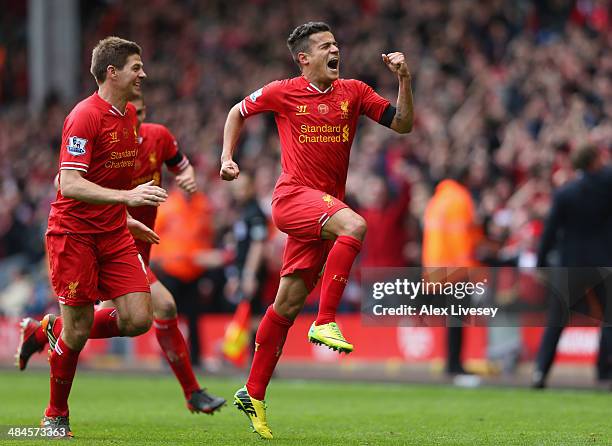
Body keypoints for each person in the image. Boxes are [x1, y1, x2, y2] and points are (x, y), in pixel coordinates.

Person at [220, 21, 413, 439]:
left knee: (286, 304)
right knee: (356, 223)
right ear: (305, 59)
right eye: (325, 46)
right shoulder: (283, 91)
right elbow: (237, 111)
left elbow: (402, 124)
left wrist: (403, 80)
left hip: (320, 213)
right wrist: (226, 157)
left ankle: (252, 394)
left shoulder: (355, 92)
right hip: (293, 199)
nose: (335, 50)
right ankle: (325, 320)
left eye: (336, 44)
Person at [17, 95, 225, 414]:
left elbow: (180, 163)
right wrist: (126, 216)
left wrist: (187, 177)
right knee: (164, 305)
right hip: (111, 240)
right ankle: (193, 392)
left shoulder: (158, 137)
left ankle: (50, 329)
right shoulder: (108, 144)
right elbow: (66, 181)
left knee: (112, 321)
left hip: (138, 244)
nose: (135, 119)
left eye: (140, 112)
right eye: (132, 113)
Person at [14, 37, 168, 438]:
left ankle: (48, 329)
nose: (143, 74)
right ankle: (54, 415)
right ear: (112, 72)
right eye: (136, 67)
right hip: (74, 234)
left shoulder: (129, 114)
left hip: (113, 231)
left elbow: (99, 174)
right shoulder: (84, 116)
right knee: (78, 331)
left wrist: (125, 217)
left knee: (138, 318)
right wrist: (127, 198)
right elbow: (67, 183)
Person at [532, 145, 612, 389]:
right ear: (594, 161)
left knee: (555, 321)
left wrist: (541, 262)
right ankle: (604, 370)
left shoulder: (565, 193)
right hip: (603, 262)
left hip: (570, 264)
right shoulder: (608, 185)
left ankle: (540, 372)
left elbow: (550, 231)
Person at [422, 167, 484, 379]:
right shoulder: (461, 199)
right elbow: (464, 238)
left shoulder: (436, 200)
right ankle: (455, 363)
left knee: (452, 318)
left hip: (436, 267)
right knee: (458, 318)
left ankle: (452, 362)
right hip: (457, 267)